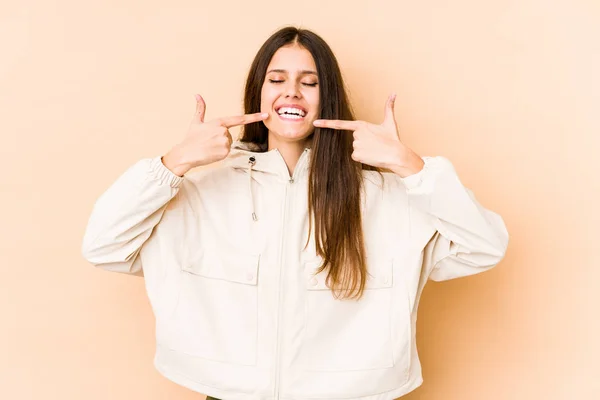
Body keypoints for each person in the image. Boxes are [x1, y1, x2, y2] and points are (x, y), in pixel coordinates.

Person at [82, 26, 509, 400]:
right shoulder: (200, 189)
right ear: (259, 93)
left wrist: (409, 165)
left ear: (328, 99)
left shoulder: (384, 194)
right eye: (277, 79)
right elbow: (104, 246)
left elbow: (484, 247)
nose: (292, 92)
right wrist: (172, 163)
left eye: (310, 82)